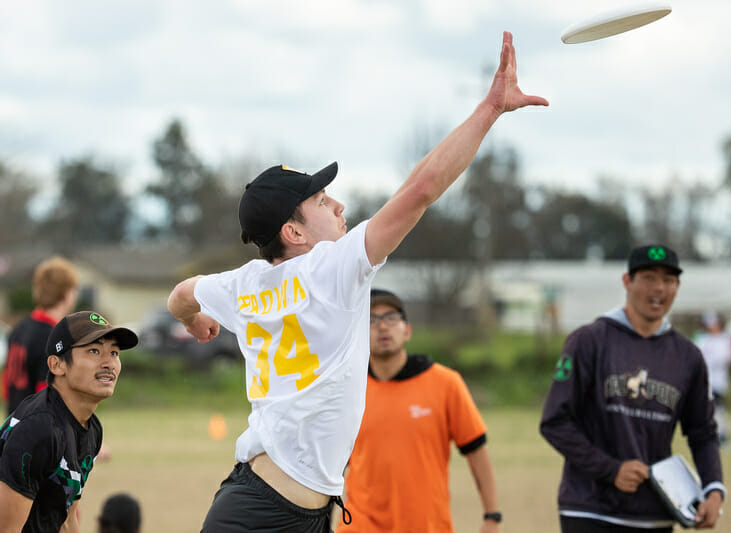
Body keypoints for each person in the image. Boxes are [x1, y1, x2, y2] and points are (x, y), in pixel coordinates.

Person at [167, 31, 547, 533]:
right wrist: (490, 109)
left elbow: (180, 294)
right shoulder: (333, 267)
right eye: (322, 201)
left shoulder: (245, 283)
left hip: (287, 508)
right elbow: (421, 189)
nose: (339, 205)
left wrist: (195, 318)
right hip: (262, 513)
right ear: (293, 231)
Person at [539, 244, 725, 532]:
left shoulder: (688, 356)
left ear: (677, 286)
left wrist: (714, 488)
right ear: (627, 282)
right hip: (589, 510)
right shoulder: (589, 341)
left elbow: (703, 431)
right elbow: (555, 422)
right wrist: (610, 469)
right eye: (649, 278)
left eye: (668, 280)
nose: (659, 289)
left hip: (654, 513)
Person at [336, 289, 501, 533]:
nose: (382, 327)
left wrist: (492, 515)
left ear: (407, 330)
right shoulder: (346, 390)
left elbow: (476, 450)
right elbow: (331, 465)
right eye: (371, 320)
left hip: (427, 525)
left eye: (391, 318)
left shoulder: (445, 383)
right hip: (359, 526)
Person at [0, 311, 138, 532]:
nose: (109, 363)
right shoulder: (39, 429)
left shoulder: (91, 428)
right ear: (56, 365)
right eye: (94, 350)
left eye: (114, 352)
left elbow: (66, 517)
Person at [2, 256, 79, 415]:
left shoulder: (19, 328)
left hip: (13, 423)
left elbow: (6, 389)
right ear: (66, 294)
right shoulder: (54, 336)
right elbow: (49, 398)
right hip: (37, 429)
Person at [695, 311, 731, 447]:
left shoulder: (724, 340)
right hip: (704, 380)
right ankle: (712, 436)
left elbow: (724, 359)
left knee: (717, 410)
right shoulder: (703, 339)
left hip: (718, 381)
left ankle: (723, 437)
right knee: (707, 411)